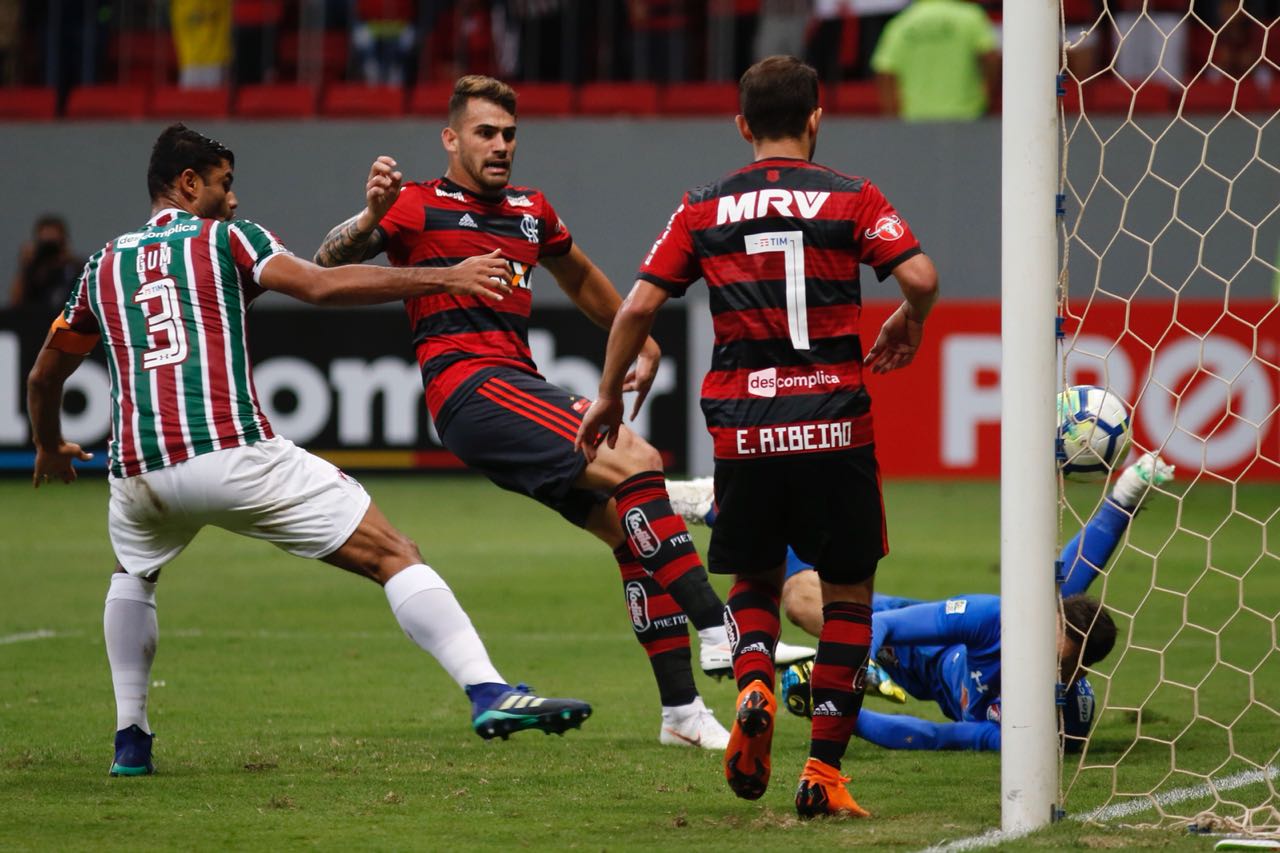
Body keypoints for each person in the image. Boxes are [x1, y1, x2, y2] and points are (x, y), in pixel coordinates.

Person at [26, 123, 591, 778]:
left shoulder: (101, 265)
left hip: (137, 473)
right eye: (224, 185)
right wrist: (449, 277)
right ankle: (488, 690)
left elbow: (43, 375)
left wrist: (49, 444)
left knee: (132, 574)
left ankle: (130, 739)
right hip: (231, 453)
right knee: (393, 552)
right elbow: (320, 286)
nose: (234, 199)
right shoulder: (227, 238)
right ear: (188, 183)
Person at [312, 76, 813, 751]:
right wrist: (369, 219)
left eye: (509, 134)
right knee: (637, 458)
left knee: (629, 531)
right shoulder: (417, 204)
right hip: (471, 387)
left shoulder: (530, 209)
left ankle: (682, 712)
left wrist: (642, 339)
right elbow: (326, 263)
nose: (500, 146)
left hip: (513, 382)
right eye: (485, 133)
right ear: (451, 139)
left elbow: (576, 274)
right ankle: (720, 628)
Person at [576, 56, 939, 818]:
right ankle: (823, 773)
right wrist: (910, 319)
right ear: (816, 118)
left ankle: (752, 686)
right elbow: (921, 277)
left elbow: (637, 306)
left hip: (746, 432)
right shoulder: (853, 195)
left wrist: (608, 394)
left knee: (755, 578)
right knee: (847, 595)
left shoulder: (702, 206)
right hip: (835, 426)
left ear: (742, 124)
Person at [669, 452, 1177, 752]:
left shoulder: (1047, 727)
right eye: (1047, 638)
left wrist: (836, 710)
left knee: (806, 602)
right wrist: (855, 668)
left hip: (927, 681)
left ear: (1076, 670)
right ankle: (720, 506)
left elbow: (934, 738)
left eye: (1057, 659)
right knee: (803, 603)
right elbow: (889, 628)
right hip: (925, 641)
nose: (1041, 653)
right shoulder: (1003, 621)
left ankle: (733, 509)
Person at [869, 0, 1000, 121]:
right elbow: (991, 58)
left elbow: (885, 73)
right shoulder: (970, 16)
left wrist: (894, 119)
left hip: (916, 119)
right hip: (968, 115)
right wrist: (987, 96)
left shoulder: (901, 23)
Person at [9, 214, 84, 309]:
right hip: (35, 316)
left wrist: (69, 261)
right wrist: (25, 266)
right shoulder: (33, 270)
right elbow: (14, 303)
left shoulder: (75, 270)